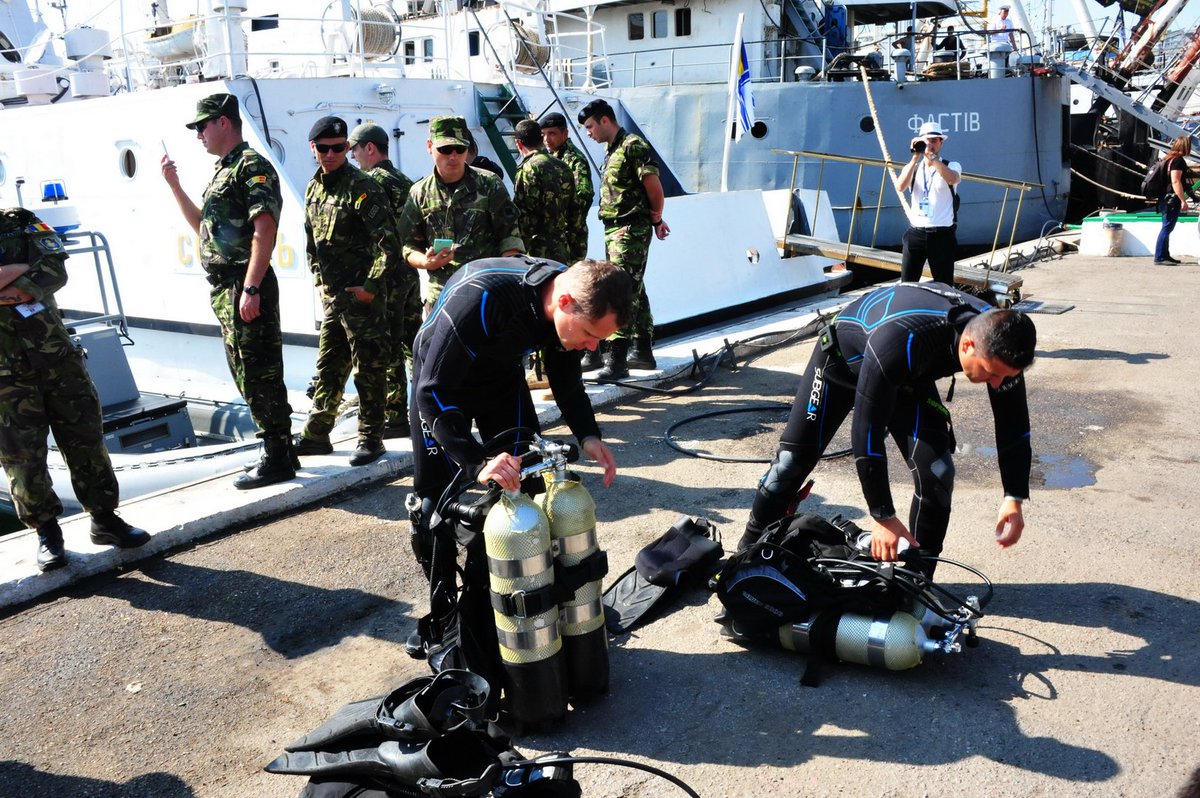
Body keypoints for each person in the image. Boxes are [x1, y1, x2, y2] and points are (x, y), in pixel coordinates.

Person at [406, 257, 631, 665]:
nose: (592, 347)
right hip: (442, 386)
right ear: (563, 303)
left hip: (499, 380)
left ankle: (530, 606)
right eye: (589, 335)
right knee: (432, 507)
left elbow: (566, 378)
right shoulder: (483, 298)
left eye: (599, 340)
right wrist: (477, 464)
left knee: (524, 490)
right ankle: (447, 619)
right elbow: (430, 392)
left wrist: (589, 435)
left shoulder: (571, 301)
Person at [738, 282, 1036, 576]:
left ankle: (917, 583)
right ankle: (743, 559)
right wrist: (883, 515)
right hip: (841, 365)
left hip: (906, 376)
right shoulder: (903, 338)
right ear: (968, 344)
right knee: (788, 468)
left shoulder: (1001, 342)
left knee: (938, 472)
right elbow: (866, 431)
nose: (996, 383)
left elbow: (1014, 426)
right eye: (990, 372)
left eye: (1004, 376)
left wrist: (1014, 496)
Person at [0, 208, 150, 572]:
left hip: (58, 358)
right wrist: (19, 270)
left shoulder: (19, 222)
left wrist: (14, 283)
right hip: (6, 375)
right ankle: (47, 533)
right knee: (23, 458)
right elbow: (37, 271)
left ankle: (105, 520)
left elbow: (54, 270)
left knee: (85, 437)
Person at [161, 93, 296, 490]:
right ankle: (282, 450)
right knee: (246, 370)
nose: (199, 134)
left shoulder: (251, 167)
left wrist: (251, 287)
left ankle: (275, 456)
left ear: (223, 122)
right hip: (227, 287)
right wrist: (175, 186)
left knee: (259, 372)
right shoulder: (224, 171)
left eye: (202, 126)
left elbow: (265, 229)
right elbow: (203, 226)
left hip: (244, 282)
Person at [295, 115, 403, 467]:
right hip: (334, 298)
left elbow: (389, 244)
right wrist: (318, 278)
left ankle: (371, 437)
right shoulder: (314, 187)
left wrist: (370, 287)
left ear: (346, 148)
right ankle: (317, 433)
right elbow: (312, 241)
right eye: (324, 148)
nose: (331, 154)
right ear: (313, 148)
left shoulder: (363, 187)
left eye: (339, 148)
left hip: (363, 299)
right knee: (329, 365)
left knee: (368, 369)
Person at [577, 99, 669, 379]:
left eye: (590, 126)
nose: (589, 133)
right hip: (615, 228)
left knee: (622, 288)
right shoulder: (612, 149)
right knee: (634, 284)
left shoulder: (632, 146)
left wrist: (655, 219)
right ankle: (642, 350)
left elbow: (654, 189)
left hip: (630, 228)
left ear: (605, 120)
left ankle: (617, 361)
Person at [397, 116, 524, 314]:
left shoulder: (489, 184)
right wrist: (426, 262)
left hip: (483, 293)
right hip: (441, 296)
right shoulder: (419, 193)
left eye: (460, 148)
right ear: (430, 146)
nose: (454, 156)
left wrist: (508, 283)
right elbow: (407, 245)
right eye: (445, 149)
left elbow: (509, 237)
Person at [347, 121, 420, 437]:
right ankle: (424, 410)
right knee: (414, 345)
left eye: (354, 149)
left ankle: (395, 417)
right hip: (410, 273)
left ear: (370, 148)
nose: (352, 156)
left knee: (388, 346)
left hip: (386, 277)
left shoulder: (370, 182)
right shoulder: (403, 181)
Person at [896, 120, 962, 285]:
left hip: (942, 235)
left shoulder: (951, 165)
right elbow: (900, 187)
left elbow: (953, 178)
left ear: (941, 143)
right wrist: (914, 159)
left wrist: (933, 159)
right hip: (916, 234)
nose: (930, 144)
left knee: (944, 286)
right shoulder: (914, 168)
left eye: (934, 140)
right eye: (927, 140)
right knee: (907, 284)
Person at [512, 119, 576, 265]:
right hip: (561, 246)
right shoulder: (563, 166)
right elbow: (574, 209)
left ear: (518, 143)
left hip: (537, 250)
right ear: (541, 138)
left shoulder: (528, 168)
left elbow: (526, 215)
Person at [540, 111, 595, 265]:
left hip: (571, 237)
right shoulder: (552, 158)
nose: (546, 139)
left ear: (565, 133)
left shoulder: (574, 159)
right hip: (556, 237)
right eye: (543, 134)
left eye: (552, 133)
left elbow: (584, 195)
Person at [1152, 136, 1193, 266]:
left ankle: (1165, 255)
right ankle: (1159, 257)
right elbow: (1176, 181)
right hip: (1171, 199)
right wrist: (1183, 200)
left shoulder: (1168, 159)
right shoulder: (1178, 161)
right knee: (1167, 227)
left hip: (1164, 197)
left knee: (1166, 226)